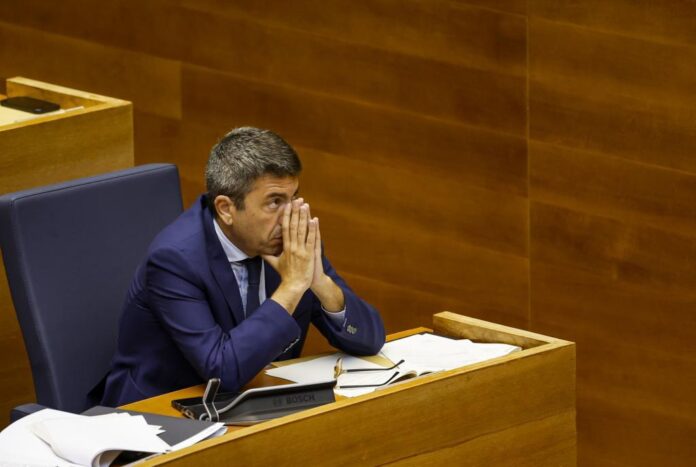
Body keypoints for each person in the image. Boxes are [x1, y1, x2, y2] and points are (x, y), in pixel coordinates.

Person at [99, 127, 385, 406]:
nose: (290, 216)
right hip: (160, 413)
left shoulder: (293, 243)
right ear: (226, 209)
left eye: (293, 198)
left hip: (254, 400)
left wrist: (320, 282)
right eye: (274, 202)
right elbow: (222, 371)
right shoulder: (174, 260)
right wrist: (292, 286)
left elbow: (370, 339)